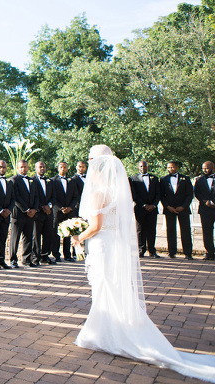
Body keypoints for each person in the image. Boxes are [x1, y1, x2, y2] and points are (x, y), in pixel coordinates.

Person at [73, 144, 215, 382]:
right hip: (112, 244)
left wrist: (78, 237)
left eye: (91, 163)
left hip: (102, 245)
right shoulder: (117, 191)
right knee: (111, 285)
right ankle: (104, 330)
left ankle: (103, 334)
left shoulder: (98, 193)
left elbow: (96, 226)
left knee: (103, 285)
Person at [160, 161, 194, 259]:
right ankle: (171, 252)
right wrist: (167, 206)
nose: (170, 169)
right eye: (169, 167)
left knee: (185, 231)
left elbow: (189, 194)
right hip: (169, 209)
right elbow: (161, 195)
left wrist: (183, 206)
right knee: (170, 230)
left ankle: (188, 253)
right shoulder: (163, 179)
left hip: (183, 209)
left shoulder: (185, 179)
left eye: (172, 167)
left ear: (177, 167)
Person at [9, 160, 39, 268]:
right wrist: (26, 209)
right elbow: (15, 197)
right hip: (18, 214)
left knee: (28, 237)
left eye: (25, 167)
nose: (23, 169)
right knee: (15, 238)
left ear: (28, 167)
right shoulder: (13, 180)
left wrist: (34, 209)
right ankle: (13, 260)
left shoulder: (32, 181)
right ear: (17, 168)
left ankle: (27, 259)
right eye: (21, 167)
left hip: (31, 214)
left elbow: (36, 196)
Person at [129, 161, 161, 258]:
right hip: (140, 208)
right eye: (141, 166)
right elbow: (134, 194)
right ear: (138, 167)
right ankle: (141, 250)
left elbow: (158, 193)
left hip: (152, 209)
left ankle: (152, 250)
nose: (143, 168)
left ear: (148, 166)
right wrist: (143, 205)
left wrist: (153, 205)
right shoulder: (133, 179)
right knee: (140, 230)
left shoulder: (154, 178)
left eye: (145, 166)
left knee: (152, 229)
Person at [51, 162, 78, 262]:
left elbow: (75, 196)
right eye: (61, 167)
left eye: (65, 167)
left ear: (67, 168)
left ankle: (67, 255)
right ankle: (56, 255)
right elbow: (52, 197)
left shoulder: (72, 181)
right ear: (58, 168)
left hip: (69, 211)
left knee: (68, 233)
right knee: (56, 234)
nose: (63, 169)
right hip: (58, 211)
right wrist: (61, 208)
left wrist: (70, 208)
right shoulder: (53, 181)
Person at [32, 161, 55, 265]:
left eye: (43, 167)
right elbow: (33, 197)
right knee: (36, 236)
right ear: (35, 168)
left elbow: (54, 196)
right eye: (40, 167)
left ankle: (45, 256)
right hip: (38, 212)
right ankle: (35, 257)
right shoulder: (32, 180)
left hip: (48, 213)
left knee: (48, 234)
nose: (42, 168)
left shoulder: (50, 181)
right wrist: (42, 207)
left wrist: (49, 206)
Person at [194, 161, 215, 261]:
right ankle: (210, 252)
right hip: (205, 209)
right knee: (207, 232)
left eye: (207, 168)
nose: (205, 170)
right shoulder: (199, 180)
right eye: (203, 168)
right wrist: (205, 201)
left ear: (213, 168)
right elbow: (197, 193)